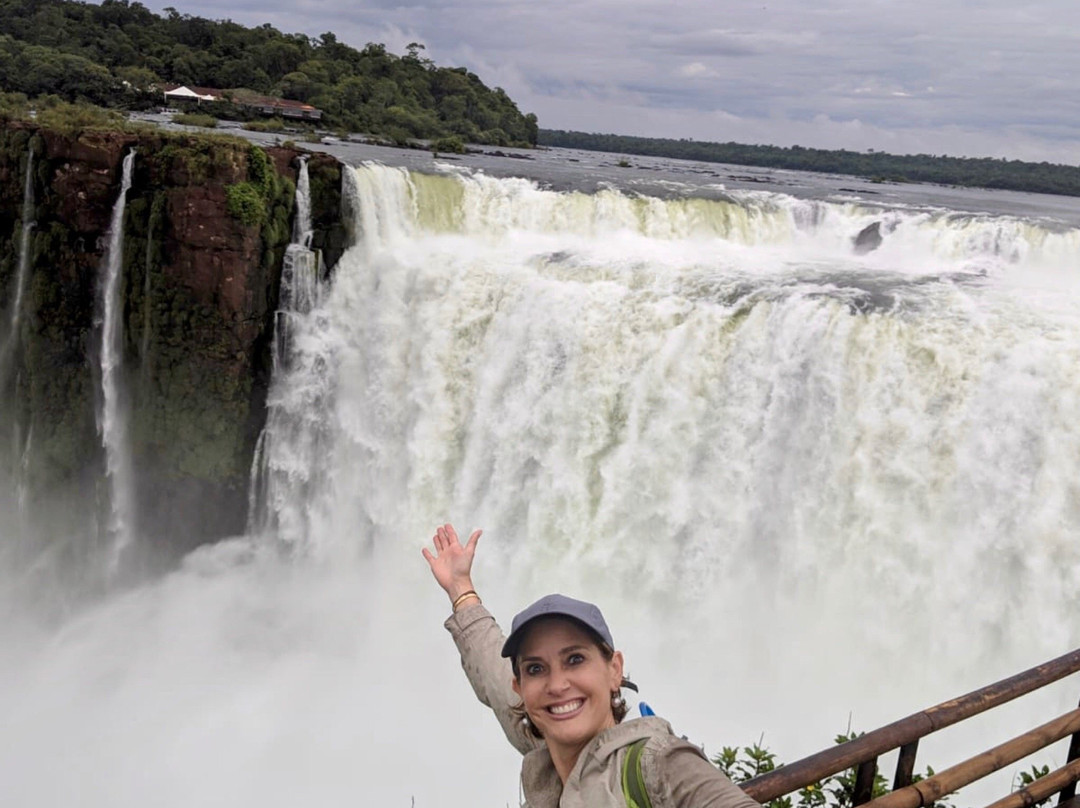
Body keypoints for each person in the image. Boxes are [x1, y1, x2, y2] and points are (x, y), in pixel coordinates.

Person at [423, 523, 764, 808]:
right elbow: (494, 676)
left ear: (614, 669)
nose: (557, 685)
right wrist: (461, 589)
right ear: (521, 689)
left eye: (575, 659)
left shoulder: (658, 764)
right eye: (536, 669)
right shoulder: (547, 753)